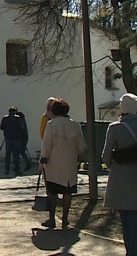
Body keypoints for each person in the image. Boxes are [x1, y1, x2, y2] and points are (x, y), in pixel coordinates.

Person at [101, 93, 137, 256]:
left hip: (119, 176)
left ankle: (130, 250)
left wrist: (112, 166)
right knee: (134, 216)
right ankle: (134, 249)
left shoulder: (115, 127)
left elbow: (105, 155)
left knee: (124, 217)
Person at [39, 98, 85, 229]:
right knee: (67, 191)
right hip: (69, 163)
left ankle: (52, 219)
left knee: (52, 191)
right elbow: (81, 146)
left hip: (53, 164)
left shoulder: (51, 125)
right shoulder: (75, 125)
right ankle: (65, 219)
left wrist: (43, 160)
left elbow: (46, 145)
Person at [0, 106, 25, 175]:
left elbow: (1, 127)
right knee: (16, 155)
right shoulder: (18, 118)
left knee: (7, 155)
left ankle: (7, 170)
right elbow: (22, 128)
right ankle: (17, 170)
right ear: (15, 112)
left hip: (8, 138)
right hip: (16, 138)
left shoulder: (5, 118)